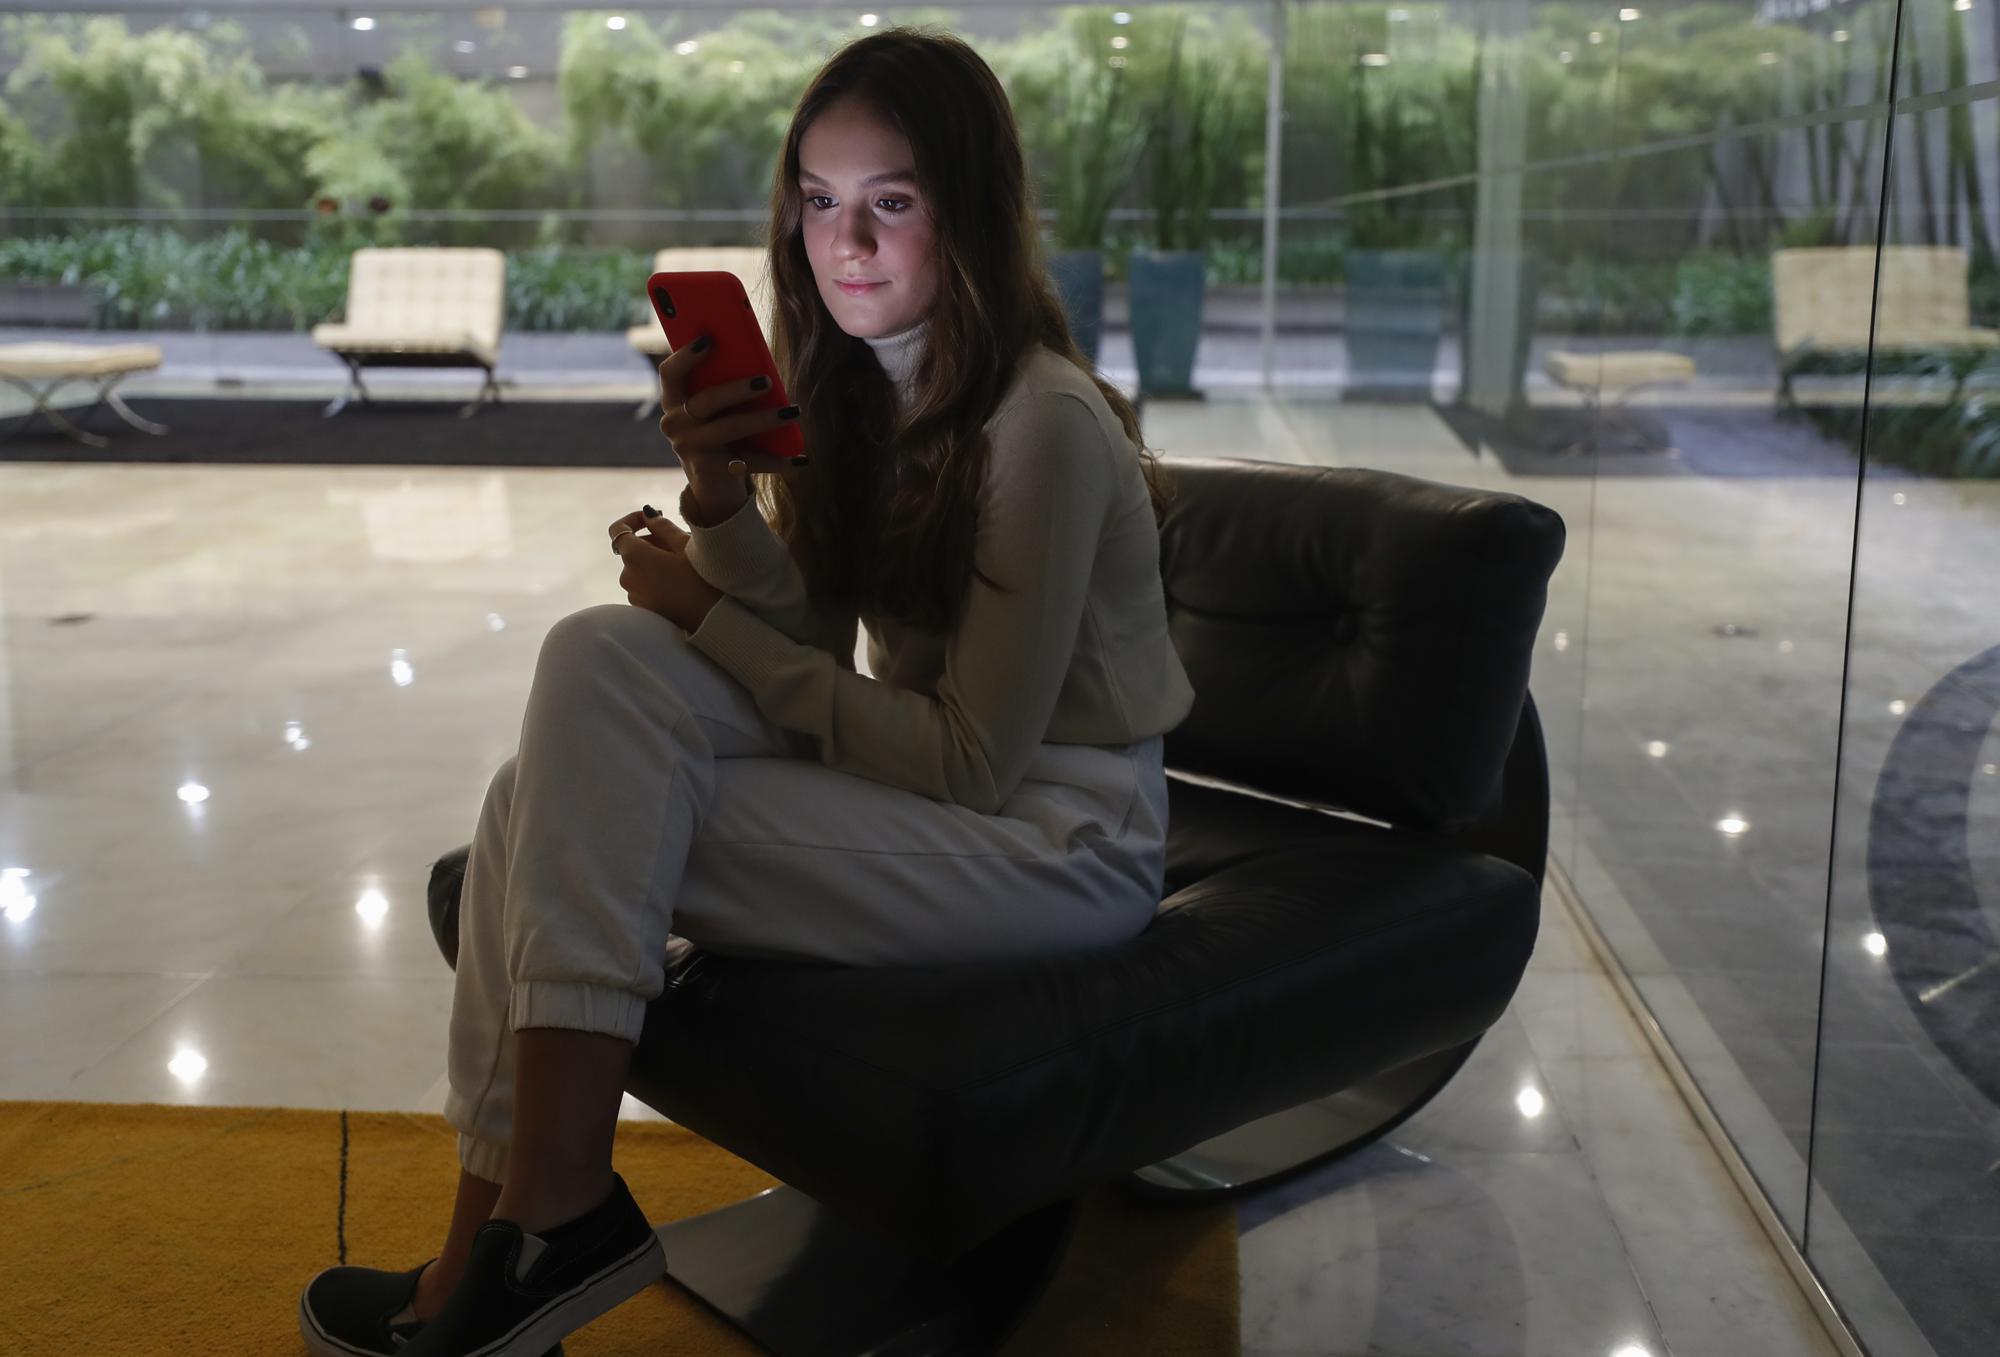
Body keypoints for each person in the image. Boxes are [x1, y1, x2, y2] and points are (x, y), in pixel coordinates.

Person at [297, 25, 1195, 1357]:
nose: (850, 242)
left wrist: (715, 616)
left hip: (1060, 840)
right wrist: (720, 498)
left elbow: (968, 760)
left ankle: (546, 1221)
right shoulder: (862, 395)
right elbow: (818, 650)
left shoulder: (1039, 424)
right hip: (947, 805)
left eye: (894, 202)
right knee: (569, 711)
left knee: (559, 794)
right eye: (820, 203)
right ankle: (485, 1259)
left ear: (973, 216)